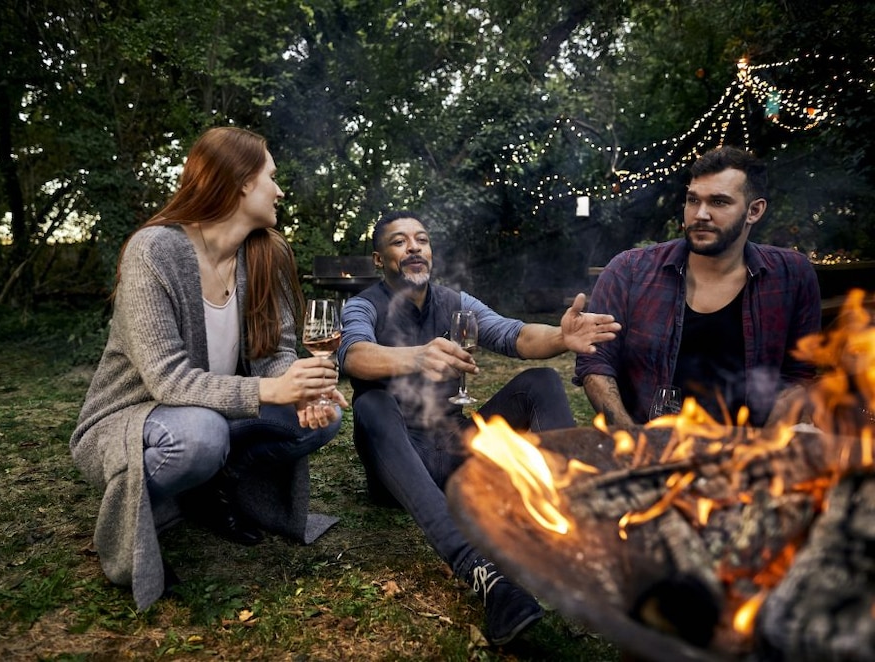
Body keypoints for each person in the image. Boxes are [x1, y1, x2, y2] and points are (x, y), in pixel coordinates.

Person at [70, 126, 347, 610]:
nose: (280, 190)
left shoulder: (268, 252)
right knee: (199, 436)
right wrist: (270, 392)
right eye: (272, 177)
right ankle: (146, 516)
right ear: (242, 182)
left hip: (216, 414)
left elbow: (276, 352)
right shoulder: (154, 251)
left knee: (325, 418)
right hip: (136, 418)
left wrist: (301, 387)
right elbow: (166, 379)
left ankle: (214, 487)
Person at [337, 210, 620, 646]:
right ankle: (485, 577)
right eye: (399, 241)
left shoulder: (455, 302)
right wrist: (418, 356)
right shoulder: (362, 304)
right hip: (397, 460)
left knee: (540, 382)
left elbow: (515, 335)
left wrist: (561, 338)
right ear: (379, 259)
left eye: (422, 239)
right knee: (371, 403)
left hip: (454, 447)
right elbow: (354, 355)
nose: (414, 247)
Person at [574, 145, 821, 429]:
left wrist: (758, 449)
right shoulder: (629, 271)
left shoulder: (791, 276)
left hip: (746, 450)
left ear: (754, 210)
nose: (700, 214)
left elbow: (797, 375)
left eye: (719, 202)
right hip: (651, 443)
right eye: (693, 200)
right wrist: (634, 441)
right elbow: (596, 364)